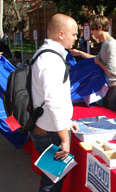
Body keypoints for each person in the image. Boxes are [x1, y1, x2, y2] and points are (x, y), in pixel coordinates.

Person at [30, 13, 79, 192]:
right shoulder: (50, 60)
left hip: (51, 127)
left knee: (52, 179)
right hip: (51, 132)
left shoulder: (48, 55)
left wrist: (67, 122)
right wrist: (65, 139)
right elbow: (52, 101)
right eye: (73, 34)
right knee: (51, 183)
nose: (75, 38)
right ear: (61, 34)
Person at [70, 15, 116, 113]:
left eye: (93, 29)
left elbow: (111, 69)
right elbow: (96, 59)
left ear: (99, 28)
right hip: (112, 86)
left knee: (113, 118)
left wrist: (99, 63)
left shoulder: (110, 44)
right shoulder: (106, 43)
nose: (91, 33)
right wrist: (79, 53)